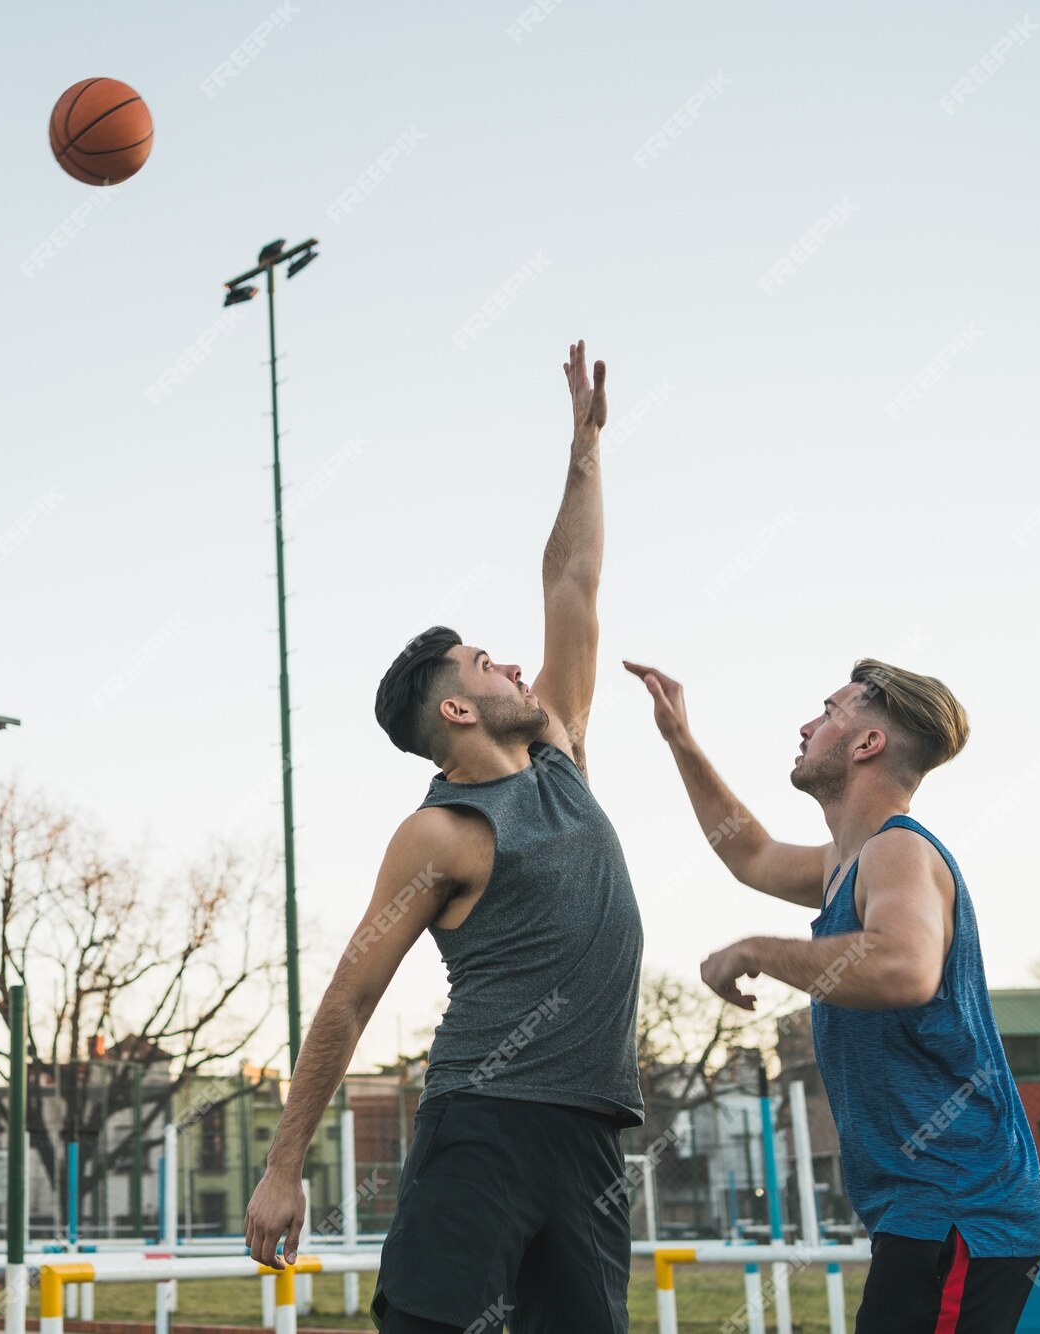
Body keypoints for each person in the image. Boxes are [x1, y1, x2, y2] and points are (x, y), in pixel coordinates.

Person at [243, 342, 644, 1334]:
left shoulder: (560, 756)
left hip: (591, 1137)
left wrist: (583, 447)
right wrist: (283, 1164)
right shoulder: (440, 833)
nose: (512, 662)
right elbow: (347, 996)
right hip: (484, 1125)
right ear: (457, 708)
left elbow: (573, 577)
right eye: (483, 660)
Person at [624, 658, 1040, 1333]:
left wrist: (758, 950)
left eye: (828, 711)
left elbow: (903, 970)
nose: (806, 726)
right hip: (928, 1213)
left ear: (866, 745)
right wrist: (680, 738)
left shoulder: (899, 852)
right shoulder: (844, 864)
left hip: (961, 1211)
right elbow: (750, 853)